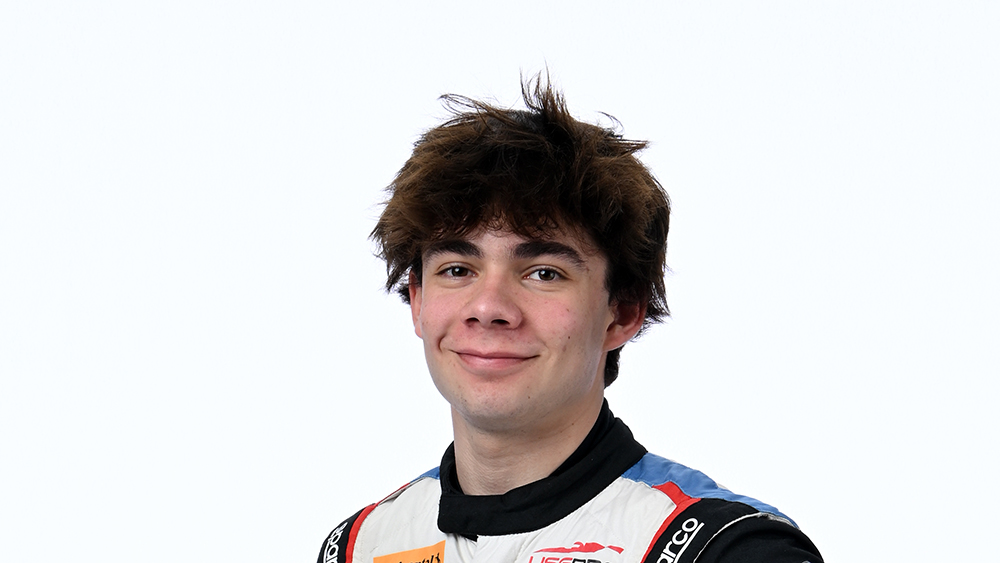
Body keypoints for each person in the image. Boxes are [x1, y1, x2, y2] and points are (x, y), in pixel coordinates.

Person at [318, 76, 823, 563]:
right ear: (417, 301)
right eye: (457, 269)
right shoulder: (361, 547)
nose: (488, 308)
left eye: (543, 273)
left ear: (623, 312)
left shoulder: (725, 548)